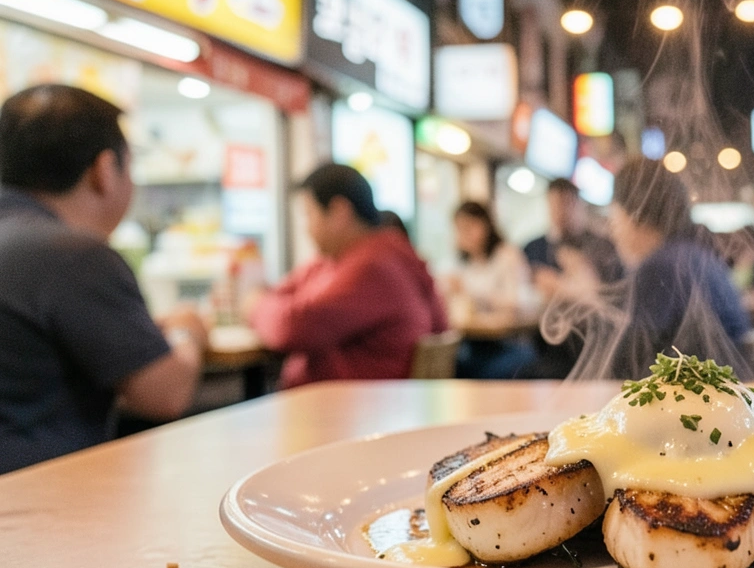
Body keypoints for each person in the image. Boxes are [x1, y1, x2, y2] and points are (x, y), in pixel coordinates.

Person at [0, 84, 205, 473]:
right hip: (33, 506)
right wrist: (186, 330)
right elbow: (165, 393)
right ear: (105, 170)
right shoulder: (72, 254)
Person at [249, 164, 446, 387]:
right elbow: (282, 293)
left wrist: (254, 305)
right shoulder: (352, 257)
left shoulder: (373, 267)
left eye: (309, 214)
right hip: (348, 405)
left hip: (355, 412)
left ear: (339, 212)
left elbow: (293, 327)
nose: (307, 228)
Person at [600, 160, 751, 379]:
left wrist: (588, 297)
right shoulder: (693, 255)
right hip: (725, 395)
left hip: (696, 403)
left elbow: (624, 365)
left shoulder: (660, 268)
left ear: (635, 214)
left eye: (614, 214)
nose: (612, 229)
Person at [447, 201, 537, 378]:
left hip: (510, 344)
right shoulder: (462, 264)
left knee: (480, 371)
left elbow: (521, 301)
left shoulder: (507, 255)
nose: (463, 234)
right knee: (452, 365)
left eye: (469, 227)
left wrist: (473, 293)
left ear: (486, 225)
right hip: (474, 342)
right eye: (459, 229)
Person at [523, 178, 623, 286]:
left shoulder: (603, 247)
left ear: (579, 205)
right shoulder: (532, 249)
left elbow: (613, 290)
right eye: (555, 204)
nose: (561, 211)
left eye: (566, 203)